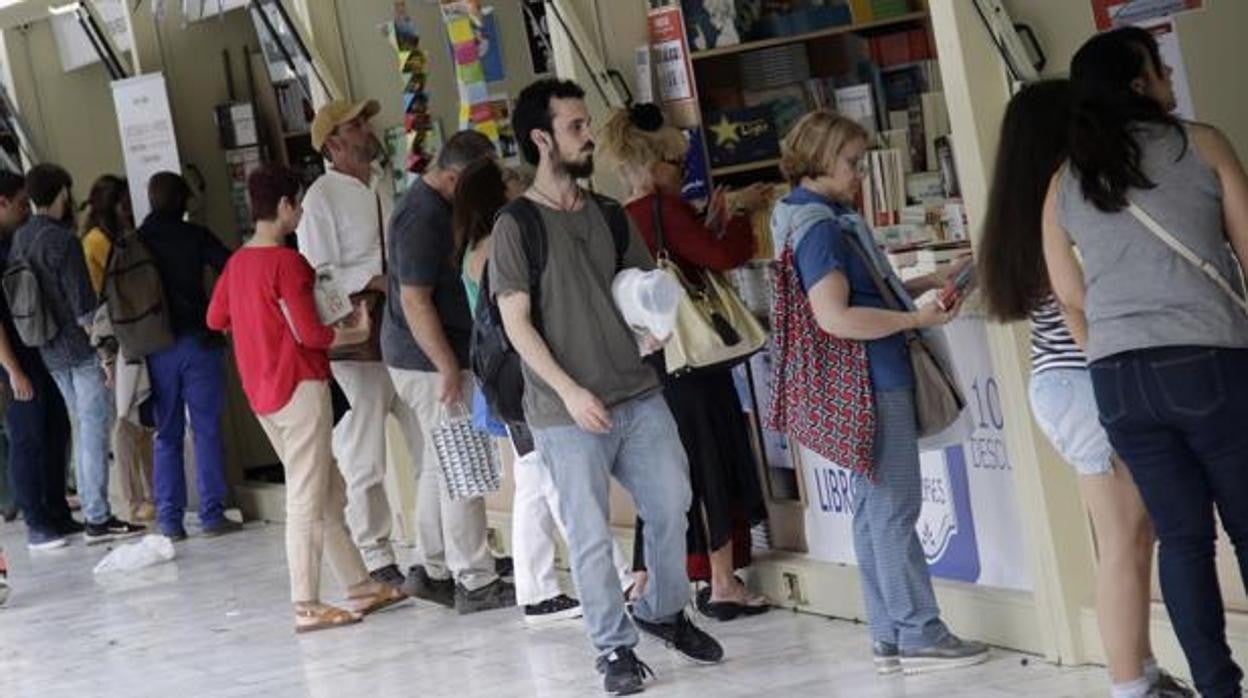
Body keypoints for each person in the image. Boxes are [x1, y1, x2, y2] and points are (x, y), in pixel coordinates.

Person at [492, 78, 722, 695]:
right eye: (575, 126)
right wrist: (568, 392)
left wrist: (652, 329)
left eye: (586, 123)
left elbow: (644, 291)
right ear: (542, 139)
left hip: (638, 392)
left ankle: (663, 612)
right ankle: (614, 650)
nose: (589, 134)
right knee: (590, 533)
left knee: (672, 504)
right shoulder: (516, 226)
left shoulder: (609, 215)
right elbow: (516, 323)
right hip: (566, 413)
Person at [1043, 27, 1248, 698]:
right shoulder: (1202, 142)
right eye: (1159, 69)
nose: (1168, 78)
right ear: (1140, 84)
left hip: (1118, 380)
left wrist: (1111, 354)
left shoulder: (1064, 181)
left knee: (1184, 541)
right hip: (1208, 361)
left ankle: (1218, 688)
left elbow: (1069, 298)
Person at [978, 79, 1192, 698]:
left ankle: (1142, 674)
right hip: (1088, 380)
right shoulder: (1067, 207)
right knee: (1126, 541)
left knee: (1125, 538)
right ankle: (1132, 684)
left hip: (1060, 385)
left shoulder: (1021, 214)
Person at [767, 110, 986, 675]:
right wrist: (915, 321)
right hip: (873, 377)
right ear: (818, 158)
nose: (860, 174)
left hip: (858, 380)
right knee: (894, 508)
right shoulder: (820, 226)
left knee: (872, 511)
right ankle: (919, 630)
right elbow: (835, 316)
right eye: (851, 163)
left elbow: (856, 291)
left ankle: (888, 632)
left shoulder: (804, 216)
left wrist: (925, 283)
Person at [207, 163, 406, 633]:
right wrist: (355, 330)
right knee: (306, 497)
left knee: (327, 490)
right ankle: (307, 603)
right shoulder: (288, 263)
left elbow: (217, 318)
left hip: (261, 394)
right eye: (296, 204)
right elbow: (315, 335)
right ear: (282, 207)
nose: (299, 213)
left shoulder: (237, 264)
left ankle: (359, 585)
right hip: (299, 387)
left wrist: (259, 326)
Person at [599, 103, 771, 621]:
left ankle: (648, 577)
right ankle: (722, 582)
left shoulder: (617, 219)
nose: (684, 174)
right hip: (694, 363)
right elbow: (719, 257)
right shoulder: (663, 210)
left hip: (653, 365)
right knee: (712, 460)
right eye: (677, 164)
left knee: (666, 472)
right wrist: (739, 215)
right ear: (654, 165)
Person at [456, 158, 634, 625]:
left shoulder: (479, 247)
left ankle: (538, 591)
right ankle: (611, 574)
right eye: (515, 183)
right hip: (526, 381)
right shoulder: (498, 245)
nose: (526, 190)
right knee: (555, 481)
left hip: (514, 382)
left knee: (536, 481)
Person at [382, 130, 514, 614]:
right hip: (430, 361)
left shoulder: (427, 205)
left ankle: (431, 565)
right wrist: (447, 368)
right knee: (465, 464)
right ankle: (475, 579)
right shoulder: (423, 218)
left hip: (423, 359)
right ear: (455, 176)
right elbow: (416, 302)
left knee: (442, 465)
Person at [298, 98, 413, 590]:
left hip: (402, 330)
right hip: (358, 338)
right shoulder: (320, 198)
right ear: (334, 142)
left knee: (425, 437)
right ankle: (374, 549)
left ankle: (434, 549)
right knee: (364, 451)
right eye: (357, 124)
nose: (369, 129)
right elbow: (318, 273)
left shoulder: (383, 186)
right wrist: (373, 278)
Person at [9, 164, 141, 545]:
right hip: (80, 348)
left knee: (82, 429)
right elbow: (84, 308)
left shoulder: (21, 239)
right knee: (93, 431)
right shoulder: (61, 241)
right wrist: (105, 355)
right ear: (62, 194)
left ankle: (94, 511)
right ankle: (98, 517)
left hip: (47, 349)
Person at [136, 172, 236, 541]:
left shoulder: (135, 241)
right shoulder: (195, 236)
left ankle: (170, 520)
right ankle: (212, 514)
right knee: (206, 427)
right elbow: (231, 266)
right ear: (182, 202)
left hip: (155, 349)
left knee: (166, 434)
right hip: (198, 340)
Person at [0, 171, 78, 550]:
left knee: (56, 428)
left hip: (40, 347)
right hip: (13, 358)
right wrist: (12, 369)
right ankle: (35, 521)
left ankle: (56, 510)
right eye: (18, 204)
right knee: (27, 435)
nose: (24, 210)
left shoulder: (18, 239)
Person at [81, 174, 155, 525]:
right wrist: (107, 358)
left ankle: (149, 495)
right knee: (125, 421)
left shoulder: (116, 237)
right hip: (115, 338)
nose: (129, 208)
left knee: (138, 420)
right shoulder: (97, 241)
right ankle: (135, 498)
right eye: (123, 202)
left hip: (131, 331)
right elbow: (98, 303)